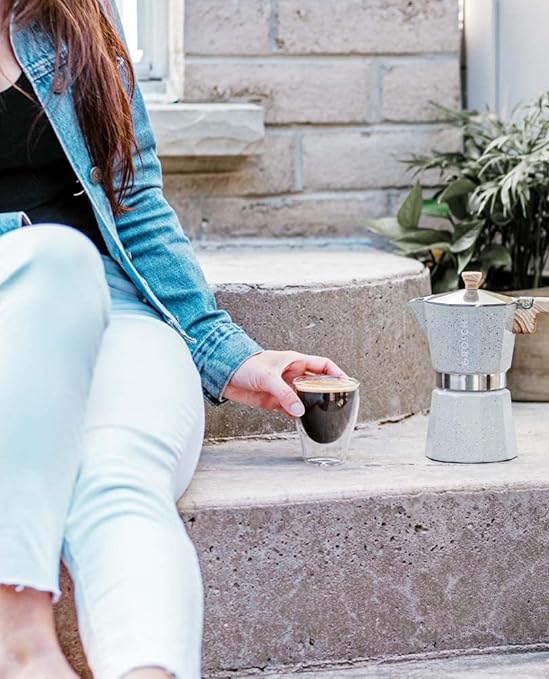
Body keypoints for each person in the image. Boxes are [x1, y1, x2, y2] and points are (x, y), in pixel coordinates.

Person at [0, 1, 346, 677]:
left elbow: (132, 195)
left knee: (117, 473)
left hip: (109, 300)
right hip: (28, 288)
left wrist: (225, 352)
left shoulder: (73, 11)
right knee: (53, 260)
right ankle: (21, 643)